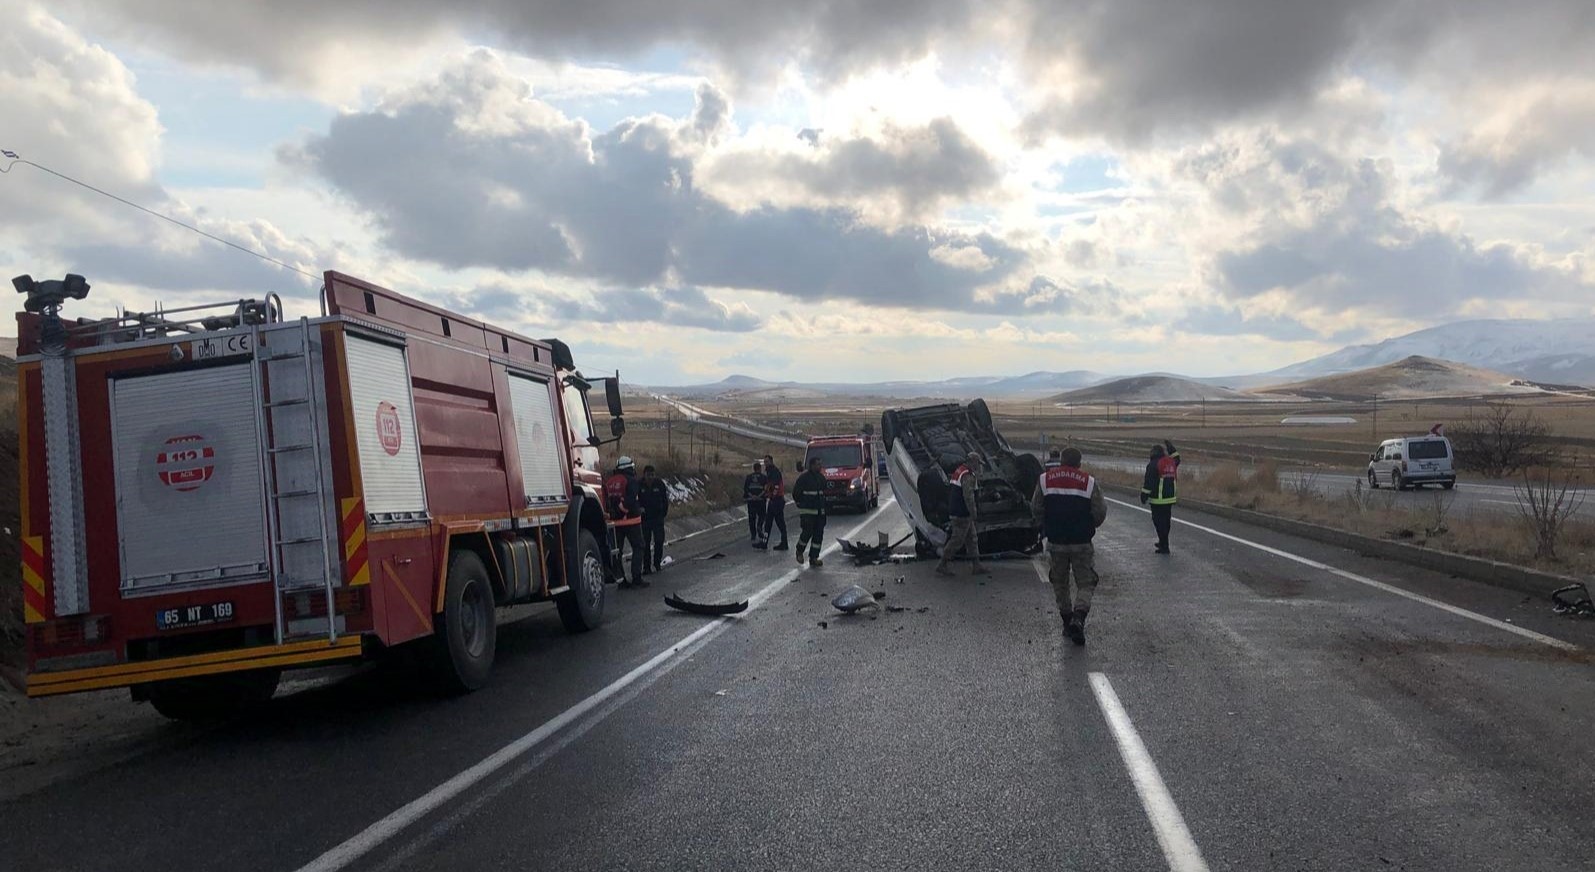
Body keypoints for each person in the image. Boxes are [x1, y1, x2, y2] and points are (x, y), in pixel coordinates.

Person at [1031, 447, 1107, 646]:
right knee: (1086, 583)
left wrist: (1046, 525)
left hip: (1056, 542)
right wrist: (1089, 526)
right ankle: (1079, 618)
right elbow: (1100, 512)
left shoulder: (1045, 479)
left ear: (1061, 461)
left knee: (1060, 582)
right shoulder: (1088, 481)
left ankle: (1067, 622)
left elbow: (1036, 508)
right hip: (1081, 542)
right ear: (1079, 463)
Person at [936, 451, 989, 576]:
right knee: (957, 540)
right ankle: (942, 564)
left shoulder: (959, 471)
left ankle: (976, 565)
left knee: (972, 539)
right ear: (973, 462)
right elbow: (968, 497)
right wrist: (974, 512)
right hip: (962, 513)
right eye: (977, 463)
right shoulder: (967, 475)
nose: (978, 466)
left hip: (959, 511)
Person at [604, 456, 647, 587]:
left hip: (614, 523)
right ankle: (636, 577)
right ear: (630, 468)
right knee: (638, 547)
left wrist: (613, 514)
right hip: (632, 521)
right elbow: (631, 499)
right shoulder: (631, 481)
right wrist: (622, 511)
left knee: (617, 552)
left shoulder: (609, 482)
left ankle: (621, 581)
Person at [1141, 439, 1180, 554]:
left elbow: (1149, 482)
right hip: (1170, 498)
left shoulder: (1153, 465)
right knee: (1166, 521)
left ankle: (1164, 545)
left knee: (1158, 522)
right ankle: (1163, 541)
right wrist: (1170, 447)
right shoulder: (1170, 462)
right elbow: (1177, 458)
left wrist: (1144, 495)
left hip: (1158, 500)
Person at [791, 456, 828, 567]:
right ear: (811, 466)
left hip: (820, 513)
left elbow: (823, 494)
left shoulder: (821, 478)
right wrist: (800, 504)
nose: (820, 466)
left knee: (818, 535)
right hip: (808, 512)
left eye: (820, 464)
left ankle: (814, 557)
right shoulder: (804, 478)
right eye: (817, 464)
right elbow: (796, 493)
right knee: (807, 533)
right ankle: (799, 551)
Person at [638, 464, 670, 574]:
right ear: (644, 475)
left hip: (657, 518)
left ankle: (657, 563)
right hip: (645, 519)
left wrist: (663, 514)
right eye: (648, 475)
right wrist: (639, 509)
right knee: (645, 544)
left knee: (659, 541)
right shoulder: (639, 485)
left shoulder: (659, 484)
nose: (650, 477)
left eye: (652, 475)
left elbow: (665, 500)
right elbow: (635, 500)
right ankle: (646, 567)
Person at [760, 453, 789, 551]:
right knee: (769, 523)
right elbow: (770, 486)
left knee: (779, 523)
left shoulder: (774, 472)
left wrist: (772, 495)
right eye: (764, 462)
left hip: (777, 501)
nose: (765, 464)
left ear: (771, 462)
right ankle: (765, 543)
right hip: (774, 500)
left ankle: (783, 543)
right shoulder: (770, 472)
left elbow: (776, 486)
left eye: (767, 462)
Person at [743, 460, 769, 547]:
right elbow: (766, 489)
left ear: (754, 469)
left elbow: (746, 489)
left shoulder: (749, 477)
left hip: (751, 500)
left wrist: (752, 496)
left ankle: (753, 535)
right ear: (760, 469)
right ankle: (759, 526)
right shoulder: (764, 477)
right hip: (761, 500)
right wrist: (759, 496)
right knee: (762, 516)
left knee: (752, 518)